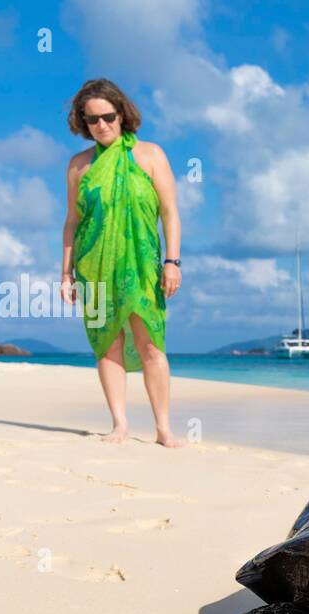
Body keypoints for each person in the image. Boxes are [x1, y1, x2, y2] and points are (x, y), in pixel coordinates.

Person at [61, 78, 182, 447]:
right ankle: (120, 425)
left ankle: (163, 429)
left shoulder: (151, 155)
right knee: (106, 345)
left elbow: (169, 213)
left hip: (142, 266)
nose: (101, 126)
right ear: (82, 123)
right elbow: (72, 223)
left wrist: (172, 261)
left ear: (122, 114)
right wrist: (65, 274)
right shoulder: (79, 167)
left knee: (151, 345)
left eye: (107, 117)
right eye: (91, 120)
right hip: (93, 268)